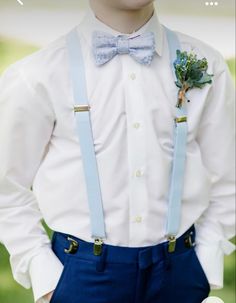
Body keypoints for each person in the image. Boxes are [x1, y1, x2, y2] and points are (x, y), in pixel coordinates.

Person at [0, 0, 235, 303]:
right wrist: (41, 271)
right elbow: (7, 188)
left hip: (180, 271)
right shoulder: (37, 76)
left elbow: (229, 176)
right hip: (80, 273)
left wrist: (207, 257)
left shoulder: (206, 64)